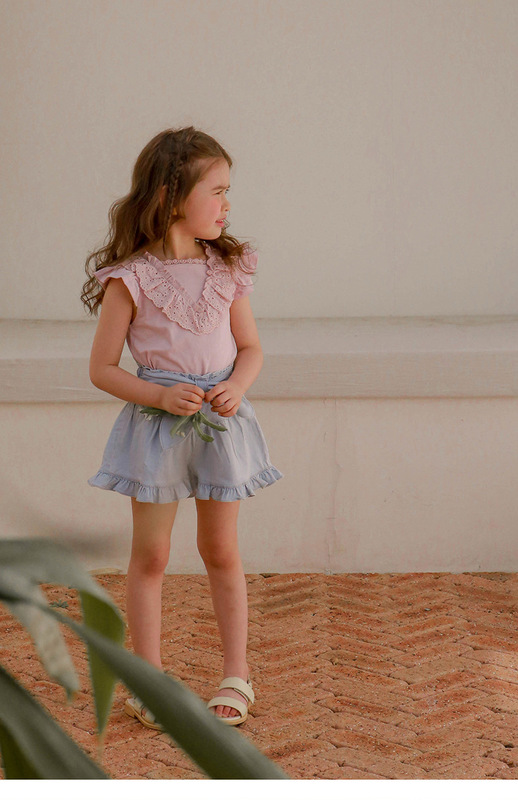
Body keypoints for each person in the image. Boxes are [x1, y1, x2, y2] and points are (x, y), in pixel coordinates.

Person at [81, 126, 283, 729]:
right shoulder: (130, 279)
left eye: (227, 192)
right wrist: (159, 395)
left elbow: (251, 348)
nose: (227, 205)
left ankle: (236, 672)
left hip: (221, 424)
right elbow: (101, 369)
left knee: (220, 549)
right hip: (156, 430)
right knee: (152, 555)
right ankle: (150, 679)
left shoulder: (228, 269)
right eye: (216, 191)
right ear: (172, 198)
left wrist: (237, 386)